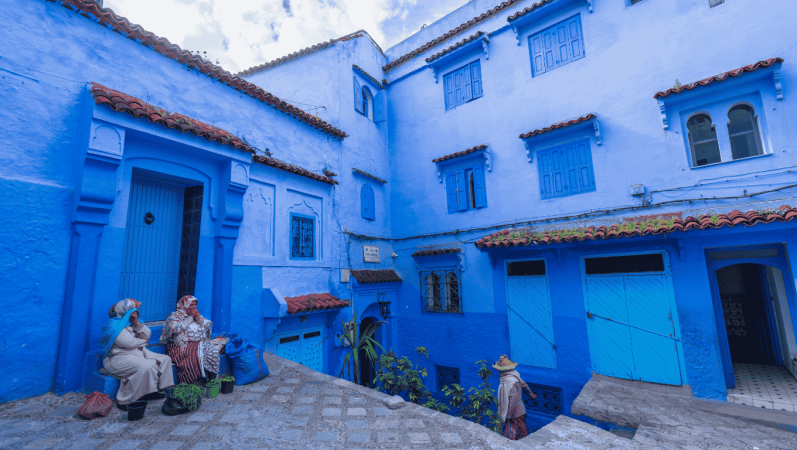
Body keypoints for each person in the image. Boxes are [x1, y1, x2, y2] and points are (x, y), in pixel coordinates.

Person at [101, 298, 175, 410]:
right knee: (145, 366)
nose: (134, 313)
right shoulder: (112, 325)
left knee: (165, 359)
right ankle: (125, 401)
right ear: (124, 310)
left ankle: (156, 390)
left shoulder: (131, 321)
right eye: (132, 310)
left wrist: (136, 322)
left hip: (137, 352)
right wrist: (144, 342)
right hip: (117, 358)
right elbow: (128, 343)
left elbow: (147, 334)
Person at [161, 295, 224, 384]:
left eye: (195, 305)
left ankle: (212, 378)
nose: (194, 307)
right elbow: (174, 330)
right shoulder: (175, 316)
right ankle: (191, 381)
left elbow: (206, 325)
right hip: (180, 346)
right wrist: (190, 317)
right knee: (195, 356)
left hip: (197, 343)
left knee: (213, 351)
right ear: (184, 305)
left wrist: (198, 319)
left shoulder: (196, 314)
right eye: (191, 305)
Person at [493, 354, 536, 440]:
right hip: (519, 412)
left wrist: (509, 415)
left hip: (514, 414)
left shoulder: (509, 381)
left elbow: (514, 399)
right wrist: (531, 394)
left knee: (511, 436)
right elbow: (524, 384)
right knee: (521, 434)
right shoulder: (514, 374)